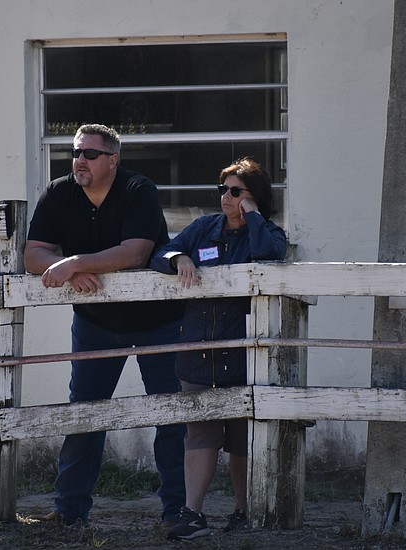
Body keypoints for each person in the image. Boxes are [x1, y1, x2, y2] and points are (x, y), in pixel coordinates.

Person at [24, 124, 186, 527]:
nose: (79, 160)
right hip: (95, 320)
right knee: (84, 413)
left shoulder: (138, 189)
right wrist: (65, 271)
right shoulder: (60, 191)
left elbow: (136, 251)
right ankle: (68, 511)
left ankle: (177, 512)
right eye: (75, 153)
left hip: (158, 321)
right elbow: (32, 253)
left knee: (169, 415)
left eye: (90, 155)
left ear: (112, 160)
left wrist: (75, 262)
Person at [150, 158, 287, 541]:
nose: (226, 197)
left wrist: (253, 217)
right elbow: (158, 254)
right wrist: (180, 257)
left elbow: (270, 256)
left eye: (235, 191)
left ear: (254, 197)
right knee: (200, 435)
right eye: (223, 189)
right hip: (197, 353)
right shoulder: (203, 229)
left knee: (243, 437)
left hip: (245, 356)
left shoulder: (268, 232)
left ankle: (243, 511)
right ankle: (193, 514)